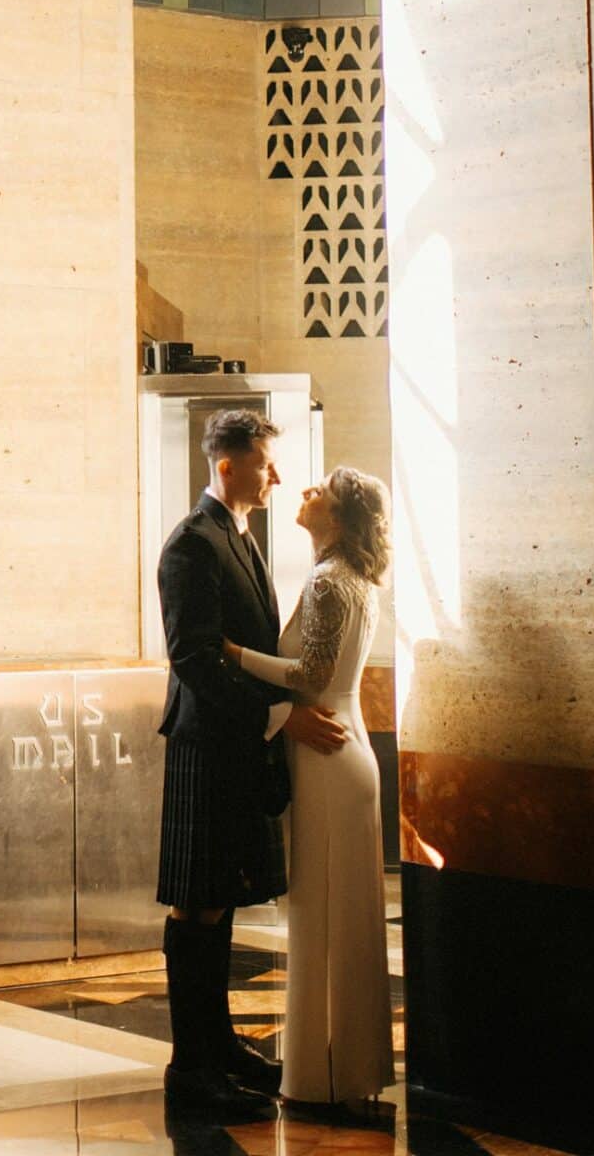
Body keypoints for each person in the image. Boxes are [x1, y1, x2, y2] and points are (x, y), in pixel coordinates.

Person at [155, 407, 347, 1122]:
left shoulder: (238, 536)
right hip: (208, 745)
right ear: (227, 464)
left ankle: (219, 1049)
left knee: (221, 900)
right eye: (265, 462)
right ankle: (190, 1067)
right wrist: (278, 715)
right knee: (198, 902)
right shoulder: (190, 545)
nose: (275, 476)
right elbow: (193, 660)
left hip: (237, 748)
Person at [224, 466, 395, 1112]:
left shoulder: (327, 582)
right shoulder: (353, 581)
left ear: (340, 517)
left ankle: (322, 1075)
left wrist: (232, 653)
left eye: (318, 491)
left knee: (320, 915)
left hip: (325, 755)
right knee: (343, 918)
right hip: (344, 747)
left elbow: (309, 671)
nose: (303, 493)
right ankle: (344, 1069)